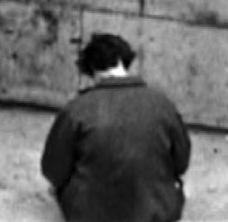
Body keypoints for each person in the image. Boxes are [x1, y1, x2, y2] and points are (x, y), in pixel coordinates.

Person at [41, 32, 192, 222]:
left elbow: (53, 169)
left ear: (92, 69)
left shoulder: (76, 109)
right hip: (155, 213)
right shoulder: (162, 104)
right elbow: (181, 162)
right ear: (124, 61)